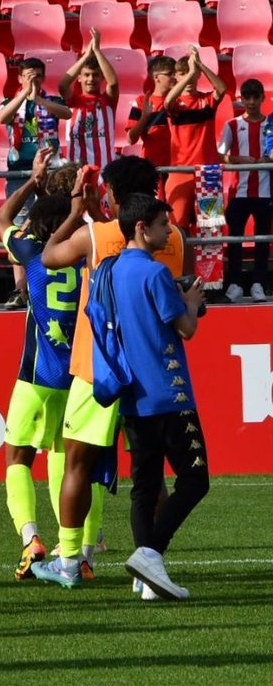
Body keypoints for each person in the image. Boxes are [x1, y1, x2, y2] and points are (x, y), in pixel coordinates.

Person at [36, 155, 185, 587]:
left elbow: (48, 257)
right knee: (150, 472)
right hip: (150, 371)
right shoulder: (173, 237)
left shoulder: (93, 236)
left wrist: (74, 209)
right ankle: (149, 562)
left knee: (76, 462)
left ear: (114, 195)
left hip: (96, 368)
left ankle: (68, 562)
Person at [110, 194, 211, 601]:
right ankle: (151, 553)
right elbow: (185, 328)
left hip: (132, 393)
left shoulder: (110, 271)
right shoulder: (154, 274)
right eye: (162, 224)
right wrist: (190, 302)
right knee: (195, 478)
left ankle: (146, 579)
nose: (168, 231)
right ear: (141, 228)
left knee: (145, 486)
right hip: (169, 394)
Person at [0, 146, 77, 579]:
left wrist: (31, 181)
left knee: (18, 457)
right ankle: (72, 548)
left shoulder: (33, 255)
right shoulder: (89, 257)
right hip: (77, 378)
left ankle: (30, 539)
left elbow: (0, 219)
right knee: (66, 456)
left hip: (35, 376)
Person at [0, 56, 72, 309]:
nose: (34, 80)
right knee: (19, 226)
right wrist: (25, 96)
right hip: (20, 170)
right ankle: (20, 288)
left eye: (38, 76)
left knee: (52, 224)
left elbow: (67, 113)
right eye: (28, 75)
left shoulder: (51, 101)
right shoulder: (10, 101)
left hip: (51, 171)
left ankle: (49, 280)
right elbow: (2, 118)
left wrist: (39, 99)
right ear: (19, 78)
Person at [162, 47, 229, 232]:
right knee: (177, 227)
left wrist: (200, 65)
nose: (189, 79)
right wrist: (191, 72)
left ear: (199, 75)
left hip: (208, 171)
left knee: (211, 227)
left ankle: (210, 263)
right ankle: (182, 262)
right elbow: (167, 102)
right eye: (182, 74)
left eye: (192, 75)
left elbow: (222, 89)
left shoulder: (206, 101)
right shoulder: (175, 104)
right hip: (180, 171)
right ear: (176, 77)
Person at [219, 78, 271, 302]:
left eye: (255, 97)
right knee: (235, 239)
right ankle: (235, 284)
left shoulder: (270, 125)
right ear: (240, 98)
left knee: (262, 239)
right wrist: (237, 158)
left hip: (265, 192)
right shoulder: (231, 125)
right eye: (246, 97)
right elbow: (222, 155)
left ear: (262, 98)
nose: (250, 102)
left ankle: (259, 283)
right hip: (238, 193)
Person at [59, 30, 121, 169]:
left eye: (95, 75)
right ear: (79, 78)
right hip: (76, 171)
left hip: (104, 171)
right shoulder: (73, 100)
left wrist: (97, 51)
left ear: (102, 77)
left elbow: (114, 83)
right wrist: (86, 56)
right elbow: (63, 86)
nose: (91, 79)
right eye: (86, 75)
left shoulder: (108, 100)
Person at [126, 56, 177, 171]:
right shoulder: (141, 101)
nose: (175, 77)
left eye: (176, 73)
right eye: (170, 74)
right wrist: (144, 117)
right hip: (152, 167)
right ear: (156, 77)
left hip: (177, 166)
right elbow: (130, 139)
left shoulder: (180, 101)